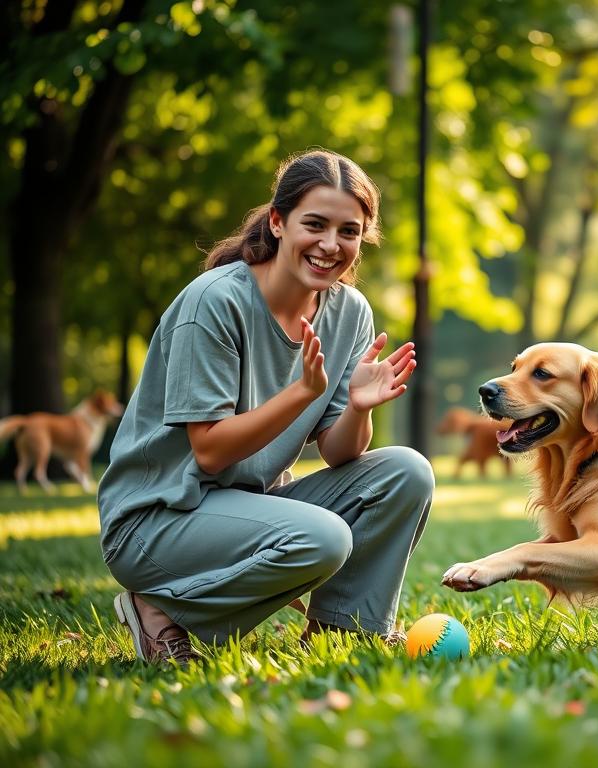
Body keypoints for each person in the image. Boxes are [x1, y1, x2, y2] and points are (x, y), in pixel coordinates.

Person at [97, 149, 434, 665]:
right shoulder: (215, 302)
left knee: (407, 471)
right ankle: (160, 611)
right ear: (278, 222)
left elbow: (341, 454)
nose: (330, 245)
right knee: (323, 539)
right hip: (157, 521)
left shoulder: (349, 311)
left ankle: (340, 632)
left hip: (247, 507)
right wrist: (301, 392)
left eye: (348, 231)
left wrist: (359, 408)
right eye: (314, 225)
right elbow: (209, 454)